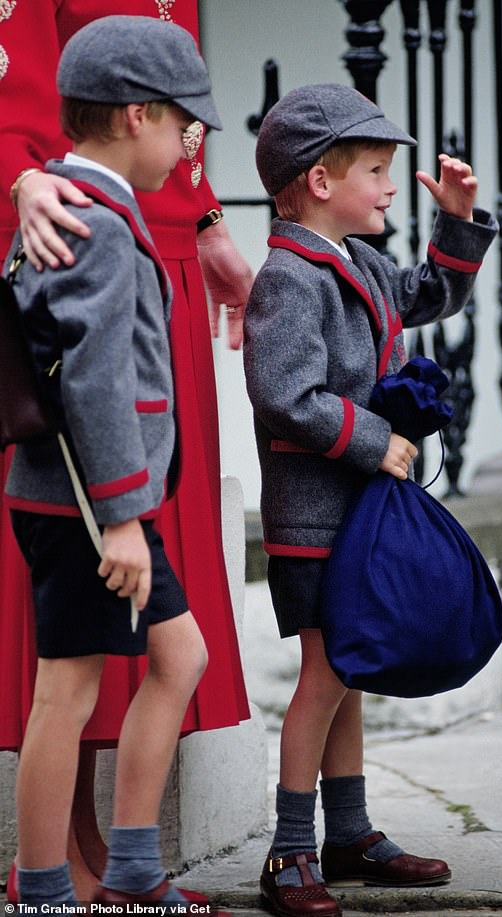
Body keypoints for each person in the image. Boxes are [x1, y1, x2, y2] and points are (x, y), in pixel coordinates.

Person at [0, 0, 250, 899]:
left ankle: (134, 870)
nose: (191, 147)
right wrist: (122, 520)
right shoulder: (96, 224)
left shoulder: (90, 205)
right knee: (64, 695)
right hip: (90, 511)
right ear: (138, 115)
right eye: (184, 124)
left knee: (180, 657)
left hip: (104, 506)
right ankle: (44, 888)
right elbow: (97, 384)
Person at [243, 83, 498, 917]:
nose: (392, 186)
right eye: (379, 171)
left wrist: (458, 222)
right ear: (321, 181)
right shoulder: (289, 276)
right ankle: (289, 851)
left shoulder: (360, 261)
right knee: (324, 674)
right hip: (316, 514)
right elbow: (283, 390)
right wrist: (369, 436)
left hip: (355, 517)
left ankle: (347, 833)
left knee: (348, 671)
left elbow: (428, 295)